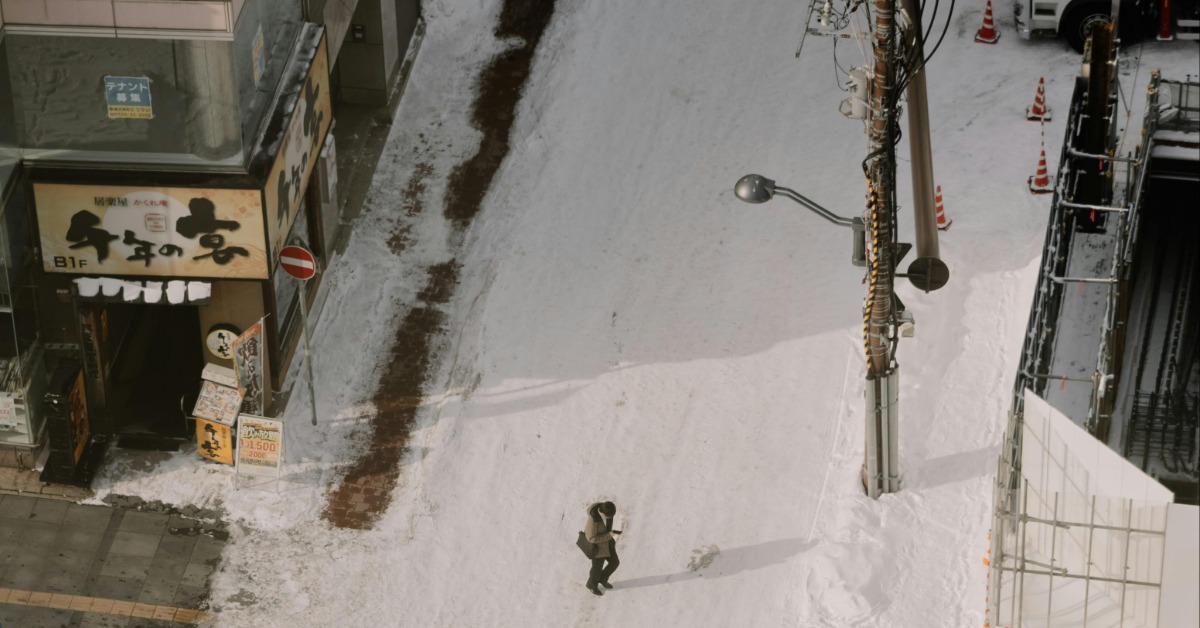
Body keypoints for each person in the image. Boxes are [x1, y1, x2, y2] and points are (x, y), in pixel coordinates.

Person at [584, 501, 621, 596]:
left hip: (607, 543)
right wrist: (609, 535)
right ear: (603, 512)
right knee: (596, 569)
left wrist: (610, 534)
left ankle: (603, 579)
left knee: (614, 562)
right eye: (609, 516)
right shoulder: (593, 520)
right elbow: (591, 538)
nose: (610, 518)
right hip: (597, 547)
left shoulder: (606, 509)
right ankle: (591, 585)